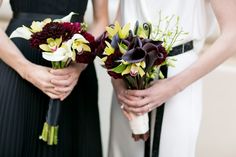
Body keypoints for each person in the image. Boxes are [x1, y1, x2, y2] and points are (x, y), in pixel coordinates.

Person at [109, 0, 236, 157]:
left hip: (178, 77)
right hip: (127, 75)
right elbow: (118, 22)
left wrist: (172, 86)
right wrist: (117, 82)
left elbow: (232, 34)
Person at [0, 0, 108, 156]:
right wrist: (26, 69)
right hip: (17, 62)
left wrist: (78, 66)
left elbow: (101, 21)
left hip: (74, 64)